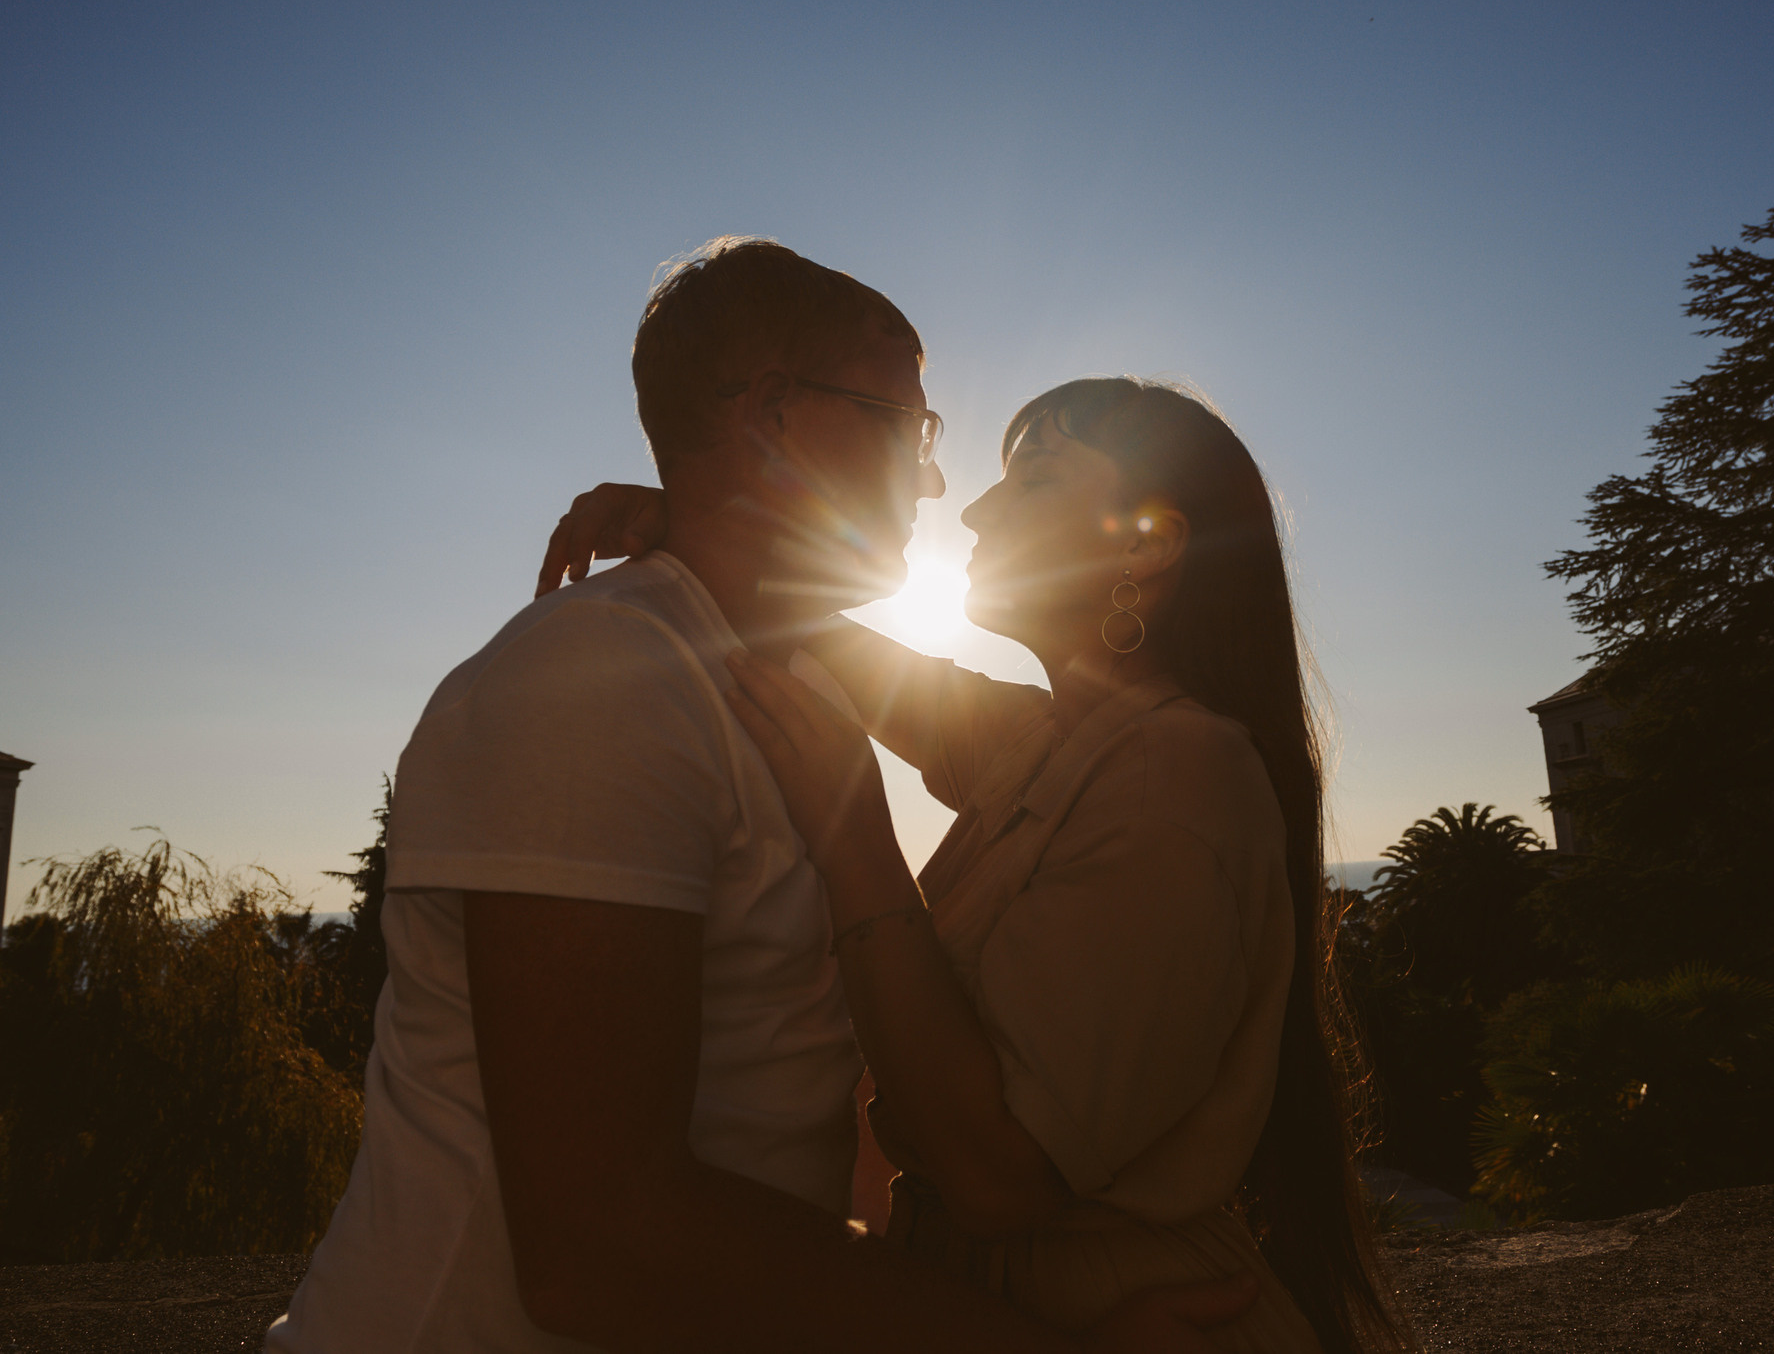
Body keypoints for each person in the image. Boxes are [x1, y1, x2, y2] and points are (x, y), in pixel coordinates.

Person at [268, 240, 1259, 1354]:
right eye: (907, 424)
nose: (943, 488)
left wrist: (704, 528)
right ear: (778, 415)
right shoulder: (599, 690)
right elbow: (603, 1246)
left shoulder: (1111, 754)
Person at [536, 378, 1412, 1352]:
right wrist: (693, 532)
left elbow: (999, 1176)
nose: (977, 508)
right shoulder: (1049, 741)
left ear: (1143, 545)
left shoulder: (1180, 776)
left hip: (1118, 1312)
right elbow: (852, 659)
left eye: (1031, 482)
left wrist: (853, 833)